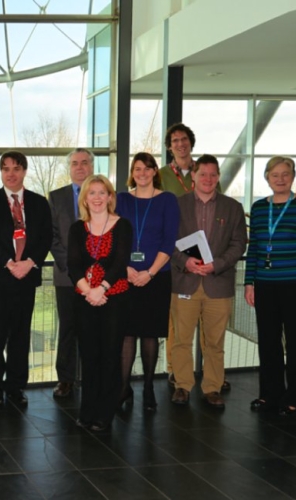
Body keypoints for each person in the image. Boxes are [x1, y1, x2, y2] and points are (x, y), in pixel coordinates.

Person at [244, 156, 296, 416]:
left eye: (286, 174)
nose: (280, 179)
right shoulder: (259, 208)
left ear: (293, 177)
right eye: (275, 174)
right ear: (267, 177)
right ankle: (269, 395)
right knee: (268, 343)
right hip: (265, 285)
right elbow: (255, 249)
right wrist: (249, 282)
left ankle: (294, 397)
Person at [170, 155, 246, 408]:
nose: (208, 179)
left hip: (219, 283)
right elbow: (166, 240)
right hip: (185, 281)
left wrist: (218, 264)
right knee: (181, 340)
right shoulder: (176, 205)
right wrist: (185, 261)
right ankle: (182, 385)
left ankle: (212, 387)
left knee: (215, 341)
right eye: (203, 174)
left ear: (218, 178)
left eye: (213, 174)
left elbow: (239, 244)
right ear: (193, 175)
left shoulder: (232, 208)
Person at [0, 151, 52, 407]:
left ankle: (16, 386)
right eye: (6, 168)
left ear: (24, 171)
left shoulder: (40, 203)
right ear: (1, 172)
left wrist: (29, 263)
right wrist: (9, 264)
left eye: (16, 168)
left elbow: (45, 238)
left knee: (21, 336)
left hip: (26, 279)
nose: (11, 173)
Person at [159, 123, 229, 392]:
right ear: (169, 146)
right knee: (178, 323)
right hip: (177, 252)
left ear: (191, 143)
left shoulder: (205, 171)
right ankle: (176, 372)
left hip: (209, 251)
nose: (180, 144)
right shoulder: (163, 174)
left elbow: (218, 201)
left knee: (210, 327)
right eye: (175, 140)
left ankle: (212, 376)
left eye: (184, 139)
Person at [116, 153, 180, 412]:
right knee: (127, 334)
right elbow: (115, 237)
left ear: (155, 171)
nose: (142, 173)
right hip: (127, 275)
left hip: (157, 276)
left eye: (147, 168)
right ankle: (123, 387)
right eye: (137, 168)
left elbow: (169, 240)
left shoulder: (167, 200)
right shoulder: (121, 199)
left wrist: (150, 272)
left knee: (150, 334)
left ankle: (150, 386)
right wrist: (127, 269)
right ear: (132, 172)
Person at [67, 174, 131, 431]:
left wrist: (101, 289)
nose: (96, 197)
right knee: (89, 356)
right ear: (84, 198)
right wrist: (88, 291)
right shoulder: (76, 228)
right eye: (91, 193)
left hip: (114, 298)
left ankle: (105, 412)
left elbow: (119, 262)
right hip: (85, 300)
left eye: (101, 192)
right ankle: (88, 410)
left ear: (110, 197)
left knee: (110, 356)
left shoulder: (122, 225)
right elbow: (73, 265)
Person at [48, 148, 94, 399]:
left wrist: (95, 270)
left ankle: (91, 376)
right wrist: (75, 269)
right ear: (70, 168)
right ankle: (65, 380)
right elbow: (52, 236)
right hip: (66, 276)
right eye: (75, 163)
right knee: (67, 328)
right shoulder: (56, 197)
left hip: (98, 279)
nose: (79, 167)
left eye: (84, 163)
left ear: (91, 166)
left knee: (92, 329)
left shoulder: (102, 194)